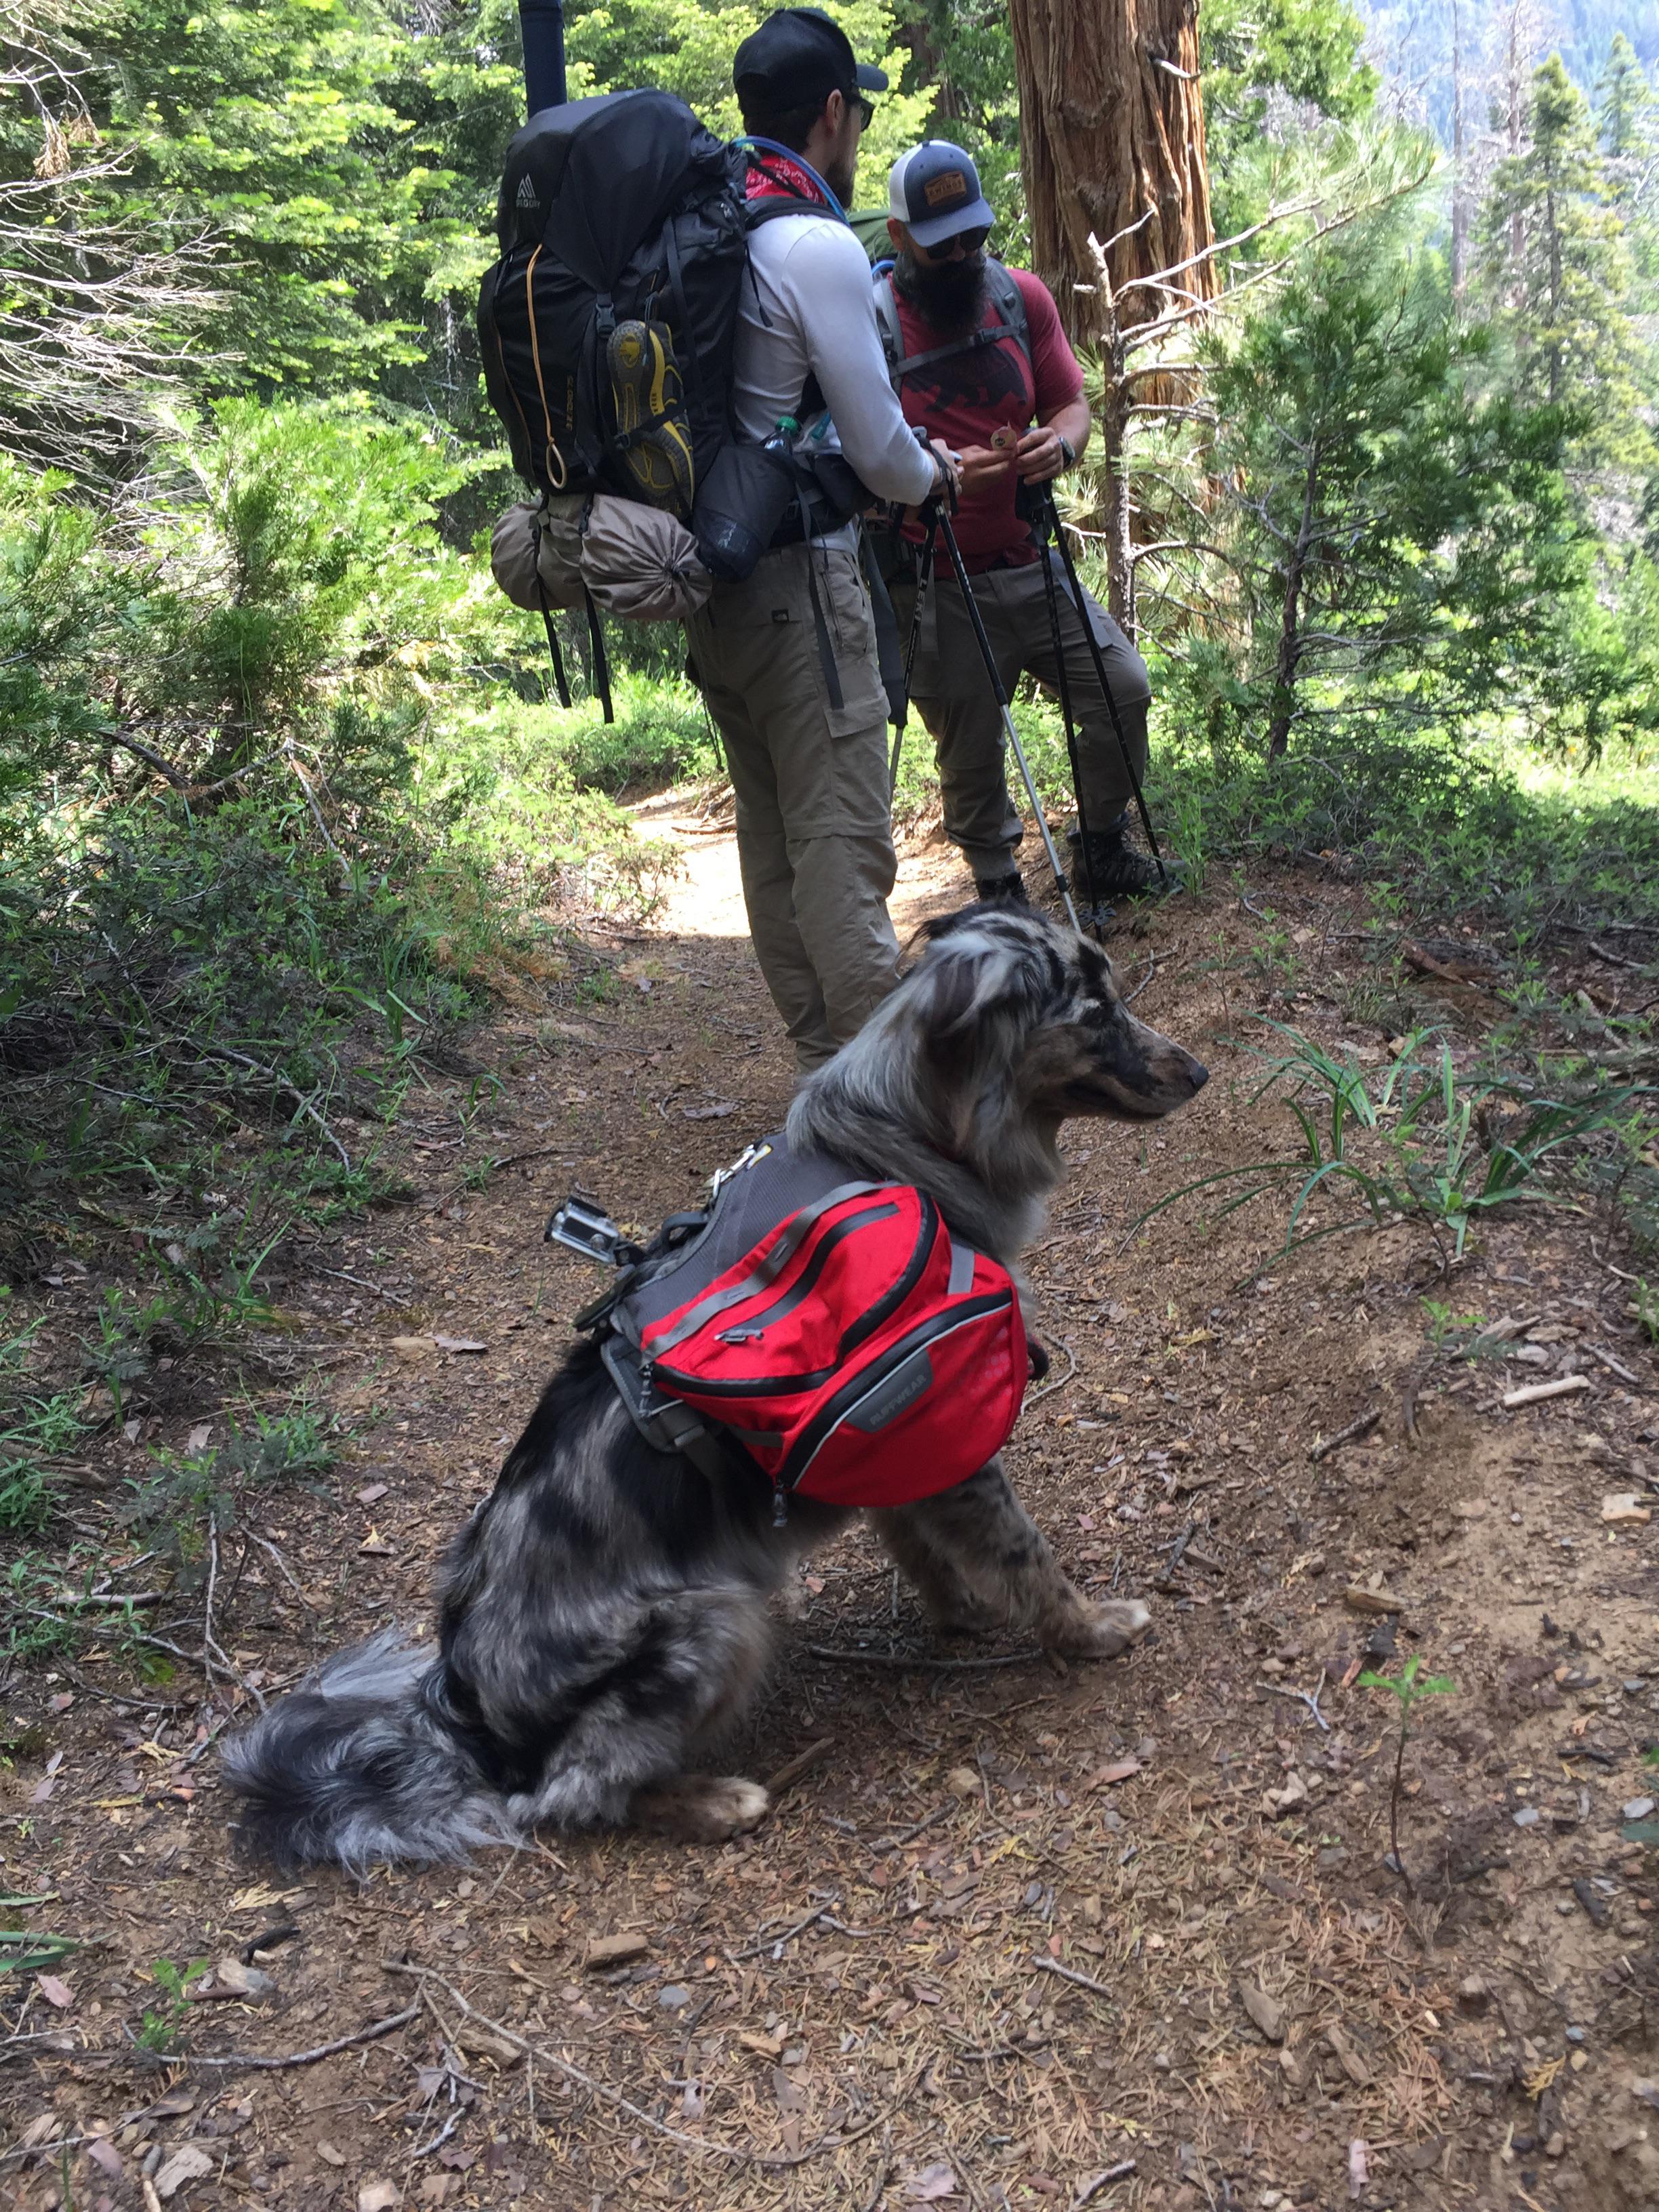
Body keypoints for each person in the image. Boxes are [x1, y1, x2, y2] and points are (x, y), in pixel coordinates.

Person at [684, 9, 958, 1072]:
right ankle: (884, 1098)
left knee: (772, 834)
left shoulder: (715, 220)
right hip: (804, 577)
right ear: (833, 112)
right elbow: (884, 455)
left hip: (717, 580)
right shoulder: (813, 244)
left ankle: (823, 1068)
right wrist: (931, 472)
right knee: (841, 838)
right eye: (860, 113)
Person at [878, 141, 1166, 921]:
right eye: (945, 245)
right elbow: (856, 456)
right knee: (969, 747)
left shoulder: (1020, 298)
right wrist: (928, 471)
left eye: (974, 235)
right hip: (937, 577)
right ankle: (1000, 894)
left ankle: (1101, 844)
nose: (966, 254)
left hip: (1030, 561)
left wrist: (1062, 443)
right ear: (901, 239)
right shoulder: (873, 327)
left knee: (1121, 688)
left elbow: (1070, 403)